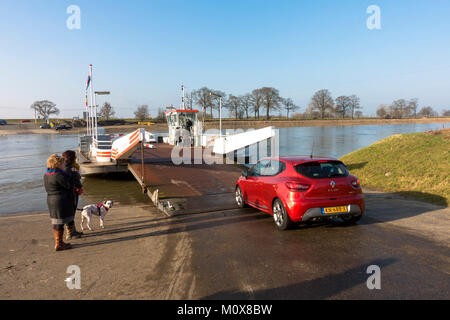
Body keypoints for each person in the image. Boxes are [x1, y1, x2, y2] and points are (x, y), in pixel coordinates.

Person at [44, 154, 74, 251]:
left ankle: (59, 242)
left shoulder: (47, 174)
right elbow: (69, 185)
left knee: (56, 221)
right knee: (59, 223)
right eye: (62, 163)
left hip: (51, 199)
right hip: (60, 200)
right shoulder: (58, 175)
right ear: (58, 164)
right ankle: (59, 244)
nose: (64, 165)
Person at [62, 150, 83, 240]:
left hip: (73, 191)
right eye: (74, 156)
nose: (76, 158)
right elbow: (73, 179)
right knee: (71, 211)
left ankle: (73, 231)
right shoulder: (68, 167)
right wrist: (78, 188)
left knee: (72, 211)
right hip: (72, 192)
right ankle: (70, 233)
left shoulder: (67, 166)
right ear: (71, 158)